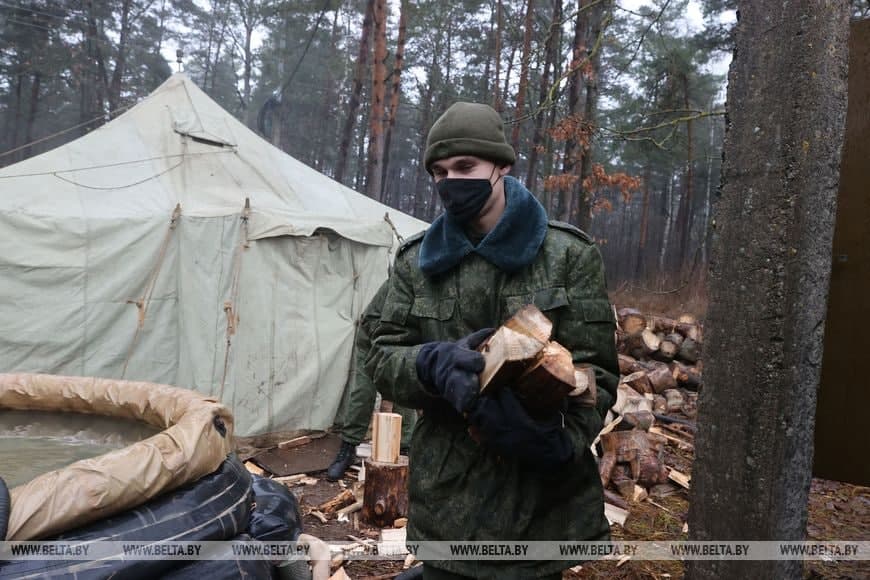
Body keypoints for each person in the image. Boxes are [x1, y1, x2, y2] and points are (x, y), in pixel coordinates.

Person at [365, 101, 619, 579]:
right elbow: (378, 355)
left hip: (541, 504)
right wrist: (430, 364)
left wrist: (559, 440)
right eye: (439, 172)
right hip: (450, 501)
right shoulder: (417, 263)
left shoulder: (568, 256)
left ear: (501, 165)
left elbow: (597, 374)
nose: (449, 182)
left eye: (464, 167)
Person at [326, 281, 418, 481]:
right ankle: (348, 447)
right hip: (373, 335)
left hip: (404, 340)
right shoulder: (408, 274)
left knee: (405, 392)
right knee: (362, 392)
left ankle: (406, 449)